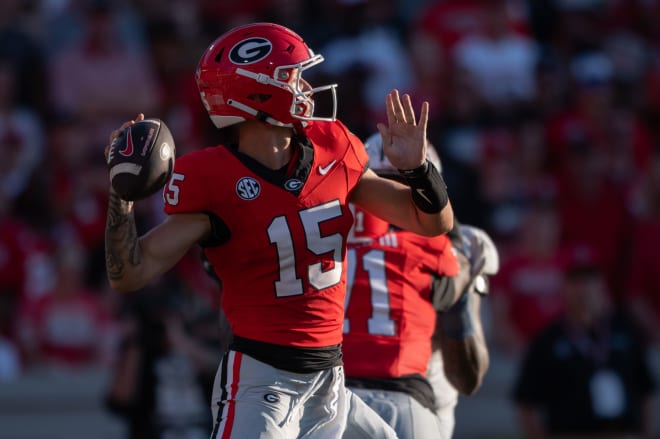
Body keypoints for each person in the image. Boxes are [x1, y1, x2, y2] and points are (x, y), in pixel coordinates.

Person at [104, 22, 454, 439]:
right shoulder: (213, 179)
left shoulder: (333, 147)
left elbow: (432, 222)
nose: (306, 86)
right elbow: (130, 273)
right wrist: (121, 195)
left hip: (331, 381)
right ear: (257, 93)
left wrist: (418, 170)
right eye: (292, 77)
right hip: (263, 382)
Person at [342, 133, 494, 439]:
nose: (394, 202)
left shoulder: (326, 240)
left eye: (409, 188)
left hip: (426, 392)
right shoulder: (448, 250)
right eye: (384, 186)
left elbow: (467, 376)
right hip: (402, 396)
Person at [512, 246, 657, 438]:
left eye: (590, 280)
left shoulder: (624, 331)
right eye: (576, 280)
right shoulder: (547, 339)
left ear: (601, 285)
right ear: (564, 286)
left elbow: (645, 390)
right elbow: (526, 402)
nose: (584, 288)